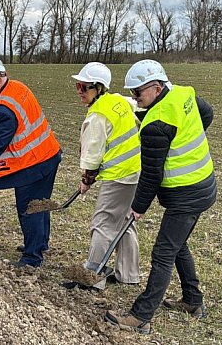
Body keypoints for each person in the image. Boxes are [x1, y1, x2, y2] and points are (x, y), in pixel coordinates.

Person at [105, 60, 216, 334]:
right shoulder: (183, 94)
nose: (135, 98)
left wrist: (137, 207)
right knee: (177, 245)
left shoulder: (156, 125)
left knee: (163, 254)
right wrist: (184, 136)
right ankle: (193, 301)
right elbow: (207, 114)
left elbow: (151, 175)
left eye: (138, 93)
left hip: (186, 194)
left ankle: (141, 316)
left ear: (156, 88)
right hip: (204, 184)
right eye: (132, 93)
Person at [0, 55, 62, 268]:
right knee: (41, 204)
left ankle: (31, 259)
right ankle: (40, 243)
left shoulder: (3, 109)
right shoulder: (17, 88)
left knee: (30, 209)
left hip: (33, 165)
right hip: (49, 154)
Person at [70, 62, 141, 286]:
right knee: (125, 222)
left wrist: (86, 180)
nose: (80, 91)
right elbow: (138, 107)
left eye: (84, 87)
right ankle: (128, 275)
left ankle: (92, 278)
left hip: (118, 177)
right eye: (78, 86)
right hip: (135, 172)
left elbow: (92, 156)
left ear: (99, 88)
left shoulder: (97, 116)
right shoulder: (118, 100)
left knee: (102, 224)